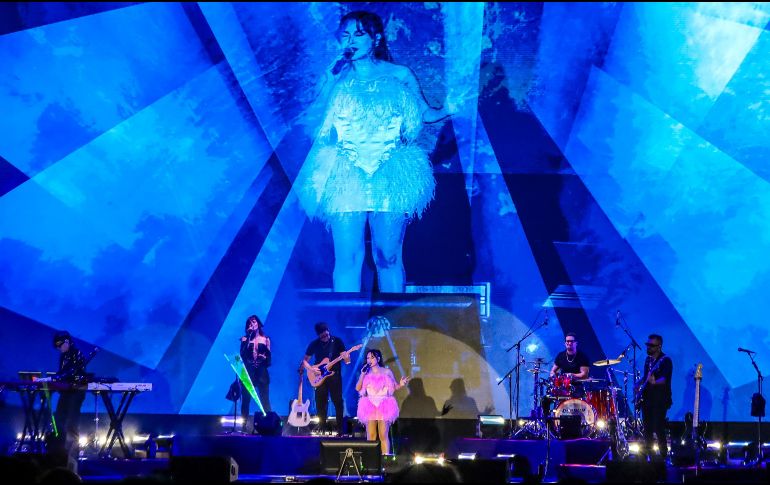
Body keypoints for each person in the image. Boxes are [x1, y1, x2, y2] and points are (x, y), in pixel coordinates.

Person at [297, 10, 452, 293]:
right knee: (347, 258)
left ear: (375, 38)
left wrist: (453, 105)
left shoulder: (399, 74)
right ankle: (343, 329)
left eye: (359, 34)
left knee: (388, 256)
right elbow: (314, 123)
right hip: (346, 173)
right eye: (345, 35)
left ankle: (393, 324)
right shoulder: (334, 77)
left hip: (389, 169)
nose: (350, 41)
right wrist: (330, 80)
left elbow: (425, 113)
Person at [355, 348, 408, 455]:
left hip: (384, 404)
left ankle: (386, 459)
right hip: (370, 405)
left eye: (372, 357)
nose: (369, 360)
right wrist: (362, 374)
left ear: (378, 359)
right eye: (368, 358)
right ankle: (371, 459)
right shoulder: (365, 372)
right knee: (371, 435)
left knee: (383, 434)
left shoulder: (387, 371)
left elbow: (394, 386)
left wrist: (401, 384)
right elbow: (358, 388)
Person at [303, 322, 351, 435]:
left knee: (337, 401)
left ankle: (340, 429)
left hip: (334, 376)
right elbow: (305, 361)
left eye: (326, 334)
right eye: (322, 336)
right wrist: (311, 369)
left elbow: (347, 361)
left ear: (328, 331)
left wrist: (347, 357)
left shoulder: (337, 341)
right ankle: (322, 428)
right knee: (320, 403)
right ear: (318, 335)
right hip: (319, 377)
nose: (325, 337)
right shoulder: (314, 344)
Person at [637, 333, 672, 461]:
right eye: (648, 345)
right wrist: (639, 383)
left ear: (659, 346)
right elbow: (647, 377)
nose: (649, 347)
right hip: (648, 398)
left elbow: (664, 378)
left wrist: (655, 382)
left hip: (661, 399)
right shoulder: (648, 360)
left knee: (658, 427)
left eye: (651, 346)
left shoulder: (666, 360)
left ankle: (663, 455)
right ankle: (649, 455)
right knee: (647, 428)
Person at [51, 331, 88, 448]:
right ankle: (59, 447)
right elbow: (62, 372)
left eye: (59, 345)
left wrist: (58, 377)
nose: (58, 348)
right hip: (66, 390)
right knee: (59, 418)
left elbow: (72, 372)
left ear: (66, 342)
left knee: (72, 420)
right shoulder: (63, 356)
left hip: (76, 390)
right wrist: (53, 378)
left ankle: (72, 449)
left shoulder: (77, 353)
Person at [239, 315, 272, 430]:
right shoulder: (245, 339)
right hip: (248, 372)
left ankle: (269, 424)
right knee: (246, 399)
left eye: (253, 322)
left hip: (262, 372)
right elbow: (241, 356)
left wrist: (264, 359)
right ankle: (243, 425)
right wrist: (247, 338)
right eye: (249, 323)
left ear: (258, 323)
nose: (251, 324)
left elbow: (269, 359)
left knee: (265, 399)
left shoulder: (266, 339)